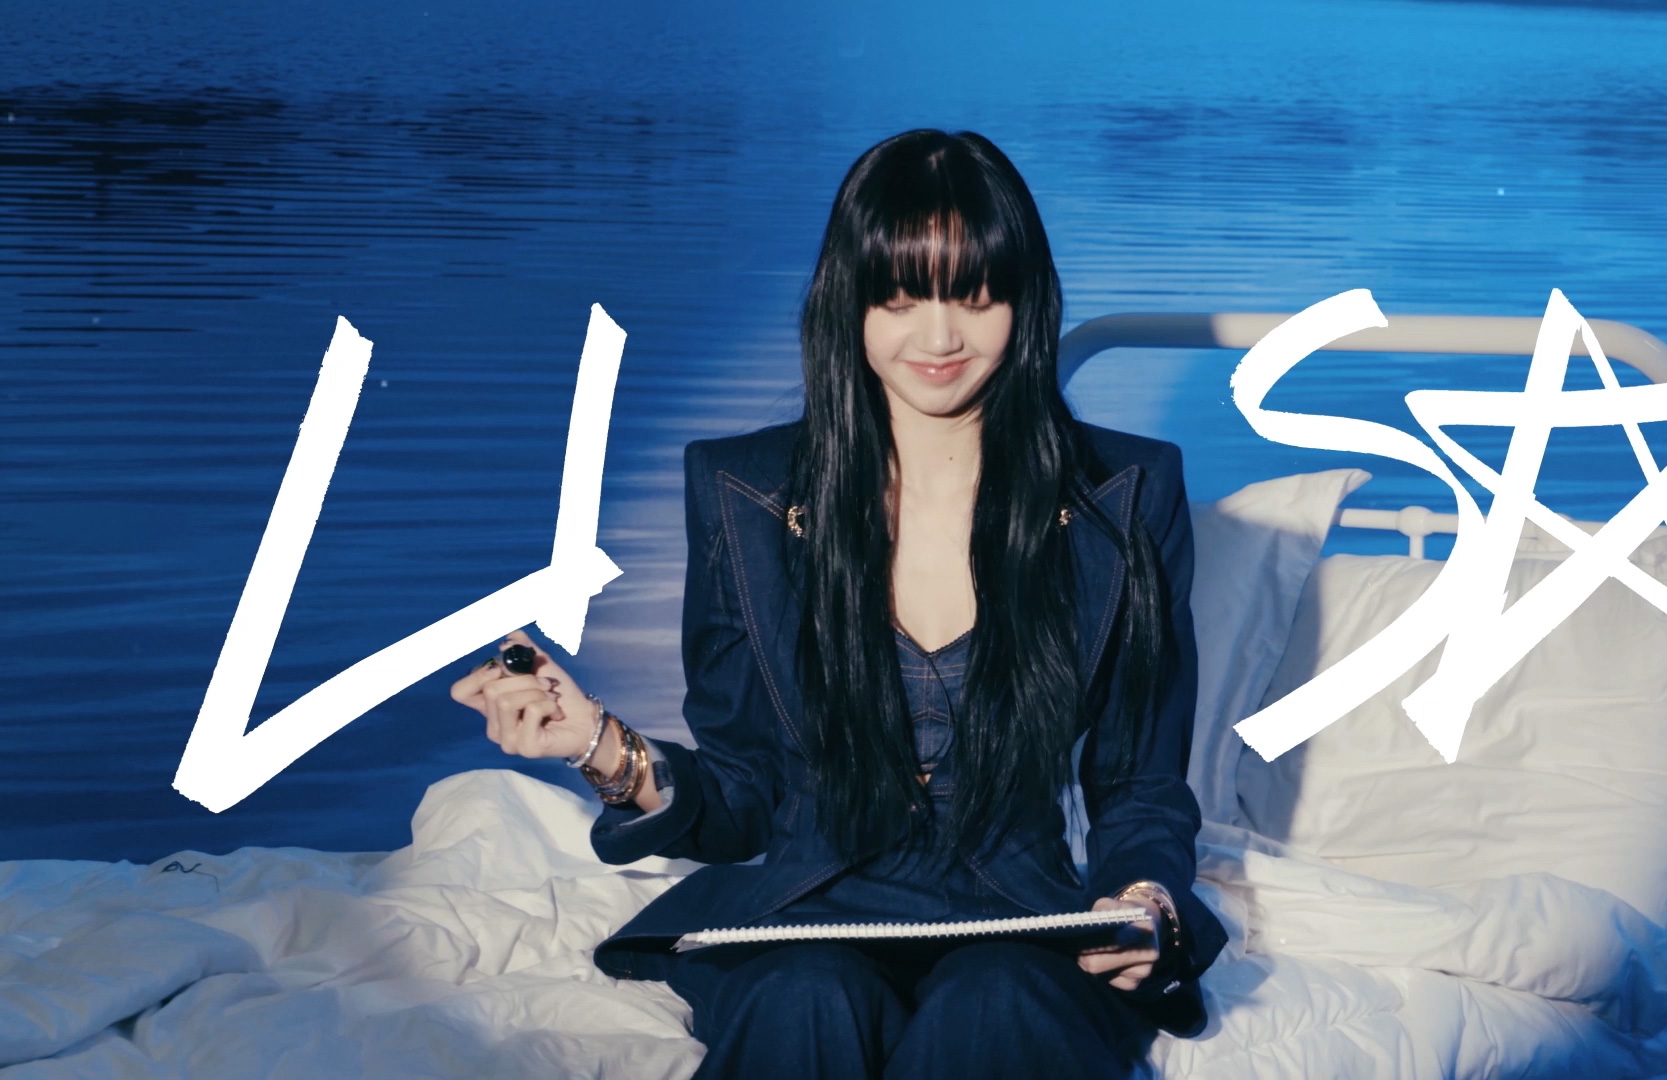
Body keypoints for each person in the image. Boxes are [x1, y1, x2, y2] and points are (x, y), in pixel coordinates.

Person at [450, 128, 1225, 1080]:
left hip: (1020, 920)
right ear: (847, 301)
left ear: (1024, 299)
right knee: (807, 995)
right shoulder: (744, 492)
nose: (938, 339)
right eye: (899, 297)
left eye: (974, 296)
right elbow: (744, 795)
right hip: (804, 916)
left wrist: (1144, 901)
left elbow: (1140, 782)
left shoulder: (1125, 494)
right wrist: (600, 747)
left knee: (997, 1000)